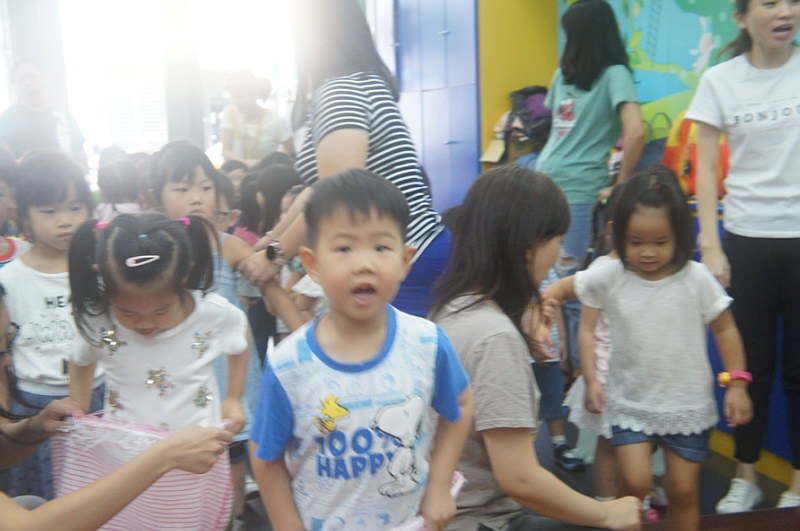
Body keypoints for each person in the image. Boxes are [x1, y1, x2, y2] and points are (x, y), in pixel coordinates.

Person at [249, 170, 473, 530]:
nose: (364, 263)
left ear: (405, 261)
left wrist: (439, 486)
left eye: (381, 247)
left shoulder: (427, 343)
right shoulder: (290, 365)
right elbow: (265, 456)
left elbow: (460, 404)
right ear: (312, 264)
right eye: (344, 248)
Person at [430, 166, 640, 530]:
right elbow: (520, 479)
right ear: (528, 247)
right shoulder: (494, 337)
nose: (558, 254)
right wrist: (607, 513)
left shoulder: (451, 307)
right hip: (481, 521)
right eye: (557, 241)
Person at [544, 169, 753, 530]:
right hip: (630, 402)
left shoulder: (695, 278)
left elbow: (726, 328)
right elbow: (563, 288)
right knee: (635, 483)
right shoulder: (611, 275)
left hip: (686, 403)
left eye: (661, 242)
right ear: (617, 234)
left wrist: (737, 383)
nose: (648, 252)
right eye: (636, 241)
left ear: (680, 236)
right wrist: (544, 307)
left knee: (683, 490)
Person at [240, 0, 450, 318]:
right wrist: (271, 241)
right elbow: (320, 188)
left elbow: (337, 194)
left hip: (405, 253)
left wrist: (274, 256)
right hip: (402, 250)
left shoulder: (342, 91)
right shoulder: (357, 82)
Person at [686, 0, 800, 513]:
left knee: (799, 371)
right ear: (741, 17)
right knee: (748, 369)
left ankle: (798, 483)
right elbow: (707, 169)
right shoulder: (721, 80)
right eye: (770, 2)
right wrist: (710, 245)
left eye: (792, 1)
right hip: (748, 239)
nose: (785, 11)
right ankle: (746, 475)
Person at [147, 141, 261, 529]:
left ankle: (237, 516)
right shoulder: (156, 250)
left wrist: (271, 255)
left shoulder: (227, 246)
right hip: (182, 375)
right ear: (157, 197)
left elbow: (263, 271)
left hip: (230, 374)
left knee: (233, 446)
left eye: (205, 188)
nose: (196, 198)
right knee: (185, 452)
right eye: (182, 189)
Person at [535, 0, 644, 377]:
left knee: (554, 282)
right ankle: (579, 375)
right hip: (576, 187)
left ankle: (567, 372)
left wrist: (619, 184)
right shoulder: (613, 74)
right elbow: (636, 132)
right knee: (575, 287)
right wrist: (621, 183)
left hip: (546, 179)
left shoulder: (569, 75)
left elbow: (560, 132)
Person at [67, 213, 248, 436]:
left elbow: (239, 339)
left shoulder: (210, 313)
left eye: (161, 311)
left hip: (198, 443)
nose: (145, 323)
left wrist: (233, 398)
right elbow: (80, 359)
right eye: (127, 312)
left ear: (182, 280)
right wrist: (79, 405)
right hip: (125, 446)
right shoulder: (99, 321)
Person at [0, 151, 104, 499]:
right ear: (23, 215)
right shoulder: (10, 280)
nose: (65, 221)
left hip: (99, 395)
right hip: (35, 403)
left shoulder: (101, 271)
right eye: (49, 211)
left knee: (99, 493)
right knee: (46, 496)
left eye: (75, 208)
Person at [0, 60, 86, 168]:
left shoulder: (64, 117)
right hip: (26, 177)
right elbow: (4, 161)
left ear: (44, 78)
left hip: (64, 176)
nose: (27, 83)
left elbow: (81, 157)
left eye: (32, 76)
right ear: (15, 86)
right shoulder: (8, 118)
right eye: (20, 79)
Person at [220, 70, 294, 168]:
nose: (235, 102)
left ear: (254, 94)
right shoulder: (230, 113)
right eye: (232, 97)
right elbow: (226, 150)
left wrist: (267, 162)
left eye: (239, 97)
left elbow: (290, 152)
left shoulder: (275, 121)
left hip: (264, 174)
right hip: (235, 173)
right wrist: (246, 163)